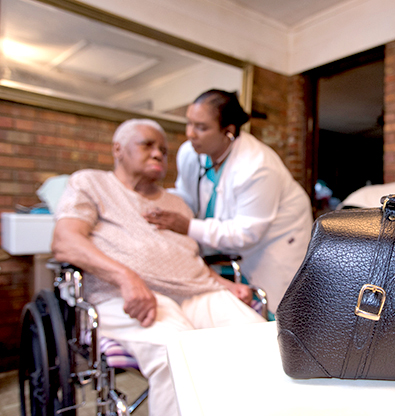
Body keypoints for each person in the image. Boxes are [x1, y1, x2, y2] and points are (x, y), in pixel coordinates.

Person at [51, 118, 265, 416]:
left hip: (197, 294)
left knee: (260, 343)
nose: (158, 154)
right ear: (118, 149)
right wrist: (126, 277)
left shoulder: (177, 204)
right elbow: (65, 241)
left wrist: (228, 285)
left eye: (163, 150)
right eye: (147, 145)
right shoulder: (91, 183)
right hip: (127, 297)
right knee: (178, 355)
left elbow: (191, 261)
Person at [144, 90, 313, 315]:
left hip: (275, 242)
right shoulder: (189, 153)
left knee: (272, 310)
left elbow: (246, 233)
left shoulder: (257, 165)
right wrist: (157, 198)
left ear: (229, 131)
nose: (191, 134)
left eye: (201, 127)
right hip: (229, 245)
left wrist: (187, 226)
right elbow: (187, 196)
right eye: (189, 123)